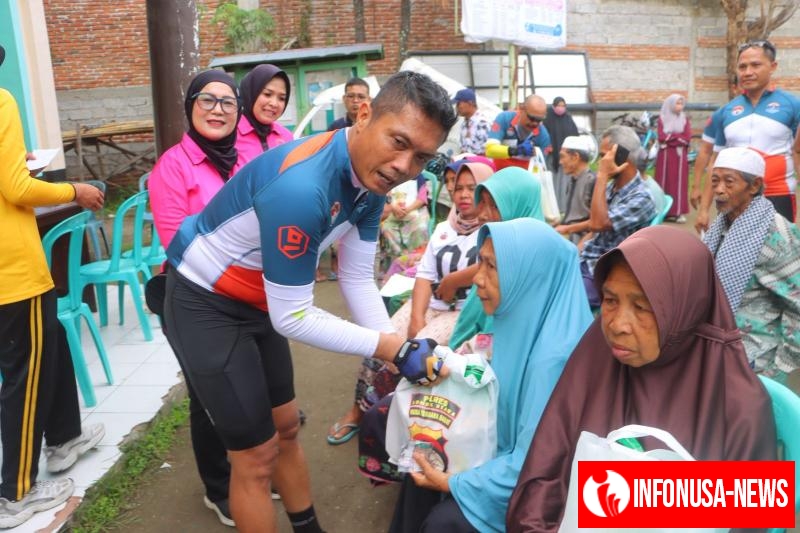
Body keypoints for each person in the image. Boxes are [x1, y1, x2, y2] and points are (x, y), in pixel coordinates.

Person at [162, 71, 456, 533]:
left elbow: (356, 275)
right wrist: (394, 350)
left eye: (421, 157)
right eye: (398, 141)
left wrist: (395, 348)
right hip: (205, 303)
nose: (404, 165)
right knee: (256, 459)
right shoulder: (303, 188)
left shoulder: (371, 177)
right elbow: (294, 315)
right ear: (363, 115)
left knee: (285, 430)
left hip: (258, 301)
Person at [507, 225, 778, 532]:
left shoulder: (743, 408)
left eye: (642, 307)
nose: (618, 325)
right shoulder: (597, 356)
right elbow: (545, 470)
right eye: (610, 301)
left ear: (685, 309)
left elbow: (749, 523)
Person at [388, 218, 592, 533]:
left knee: (442, 519)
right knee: (420, 463)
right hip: (499, 455)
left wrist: (455, 483)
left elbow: (534, 466)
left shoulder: (552, 359)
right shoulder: (517, 320)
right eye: (479, 263)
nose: (478, 279)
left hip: (531, 488)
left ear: (530, 276)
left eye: (492, 267)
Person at [0, 45, 106, 529]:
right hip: (11, 271)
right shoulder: (1, 101)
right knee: (25, 377)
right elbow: (17, 190)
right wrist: (73, 191)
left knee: (53, 344)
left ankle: (64, 439)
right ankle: (17, 492)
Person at [328, 162, 491, 446]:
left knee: (414, 355)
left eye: (472, 189)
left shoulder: (492, 230)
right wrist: (416, 316)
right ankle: (358, 411)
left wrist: (452, 280)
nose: (464, 195)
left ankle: (388, 418)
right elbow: (425, 275)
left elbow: (485, 268)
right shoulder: (444, 227)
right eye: (458, 187)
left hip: (462, 311)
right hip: (431, 304)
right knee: (382, 342)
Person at [148, 69, 248, 527]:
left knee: (248, 388)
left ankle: (249, 472)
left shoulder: (243, 161)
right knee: (209, 396)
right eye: (207, 100)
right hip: (191, 297)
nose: (217, 109)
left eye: (228, 102)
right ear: (191, 106)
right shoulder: (173, 165)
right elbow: (176, 242)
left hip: (244, 292)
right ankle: (219, 487)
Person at [703, 146, 800, 384]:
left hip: (756, 357)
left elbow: (797, 306)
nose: (719, 190)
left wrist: (778, 371)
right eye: (715, 181)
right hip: (719, 344)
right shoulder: (721, 227)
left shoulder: (775, 235)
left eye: (729, 182)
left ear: (754, 186)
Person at [714, 40, 800, 221]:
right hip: (736, 195)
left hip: (779, 193)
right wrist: (704, 208)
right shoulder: (727, 110)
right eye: (742, 67)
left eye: (755, 65)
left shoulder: (793, 105)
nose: (748, 72)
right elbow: (716, 160)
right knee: (734, 248)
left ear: (773, 66)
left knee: (777, 247)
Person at [580, 125, 656, 308]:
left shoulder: (641, 197)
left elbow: (598, 223)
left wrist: (602, 175)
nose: (601, 161)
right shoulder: (612, 188)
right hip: (587, 263)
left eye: (604, 155)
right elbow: (593, 231)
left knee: (555, 297)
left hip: (605, 273)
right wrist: (574, 252)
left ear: (621, 157)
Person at [237, 64, 294, 158]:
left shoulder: (286, 136)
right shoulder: (229, 136)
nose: (274, 103)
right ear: (251, 93)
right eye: (267, 94)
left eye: (282, 98)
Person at [486, 94, 552, 171]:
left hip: (524, 178)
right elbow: (489, 150)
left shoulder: (543, 135)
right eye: (532, 118)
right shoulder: (504, 119)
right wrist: (516, 150)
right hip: (499, 174)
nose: (535, 123)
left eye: (539, 120)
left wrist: (536, 155)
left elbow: (541, 166)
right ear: (521, 109)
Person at [654, 93, 692, 222]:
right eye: (677, 103)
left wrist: (671, 138)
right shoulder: (662, 119)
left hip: (679, 157)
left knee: (678, 183)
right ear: (670, 104)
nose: (680, 106)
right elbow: (661, 137)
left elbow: (686, 139)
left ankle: (677, 212)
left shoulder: (684, 119)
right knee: (663, 181)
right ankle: (662, 211)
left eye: (682, 103)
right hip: (664, 157)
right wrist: (676, 138)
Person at [554, 135, 596, 245]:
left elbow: (597, 222)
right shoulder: (572, 179)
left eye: (563, 157)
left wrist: (568, 228)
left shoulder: (591, 181)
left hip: (582, 239)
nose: (560, 162)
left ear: (575, 157)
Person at [543, 96, 579, 209]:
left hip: (566, 157)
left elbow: (575, 136)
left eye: (563, 106)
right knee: (551, 182)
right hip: (551, 157)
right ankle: (551, 208)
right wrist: (547, 147)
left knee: (564, 182)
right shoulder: (547, 119)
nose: (561, 108)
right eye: (558, 105)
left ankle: (563, 207)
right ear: (553, 106)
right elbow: (542, 137)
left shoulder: (568, 119)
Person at [452, 88, 490, 155]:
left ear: (470, 103)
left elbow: (487, 150)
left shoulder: (482, 122)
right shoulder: (464, 124)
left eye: (458, 103)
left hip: (480, 163)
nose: (457, 107)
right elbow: (464, 149)